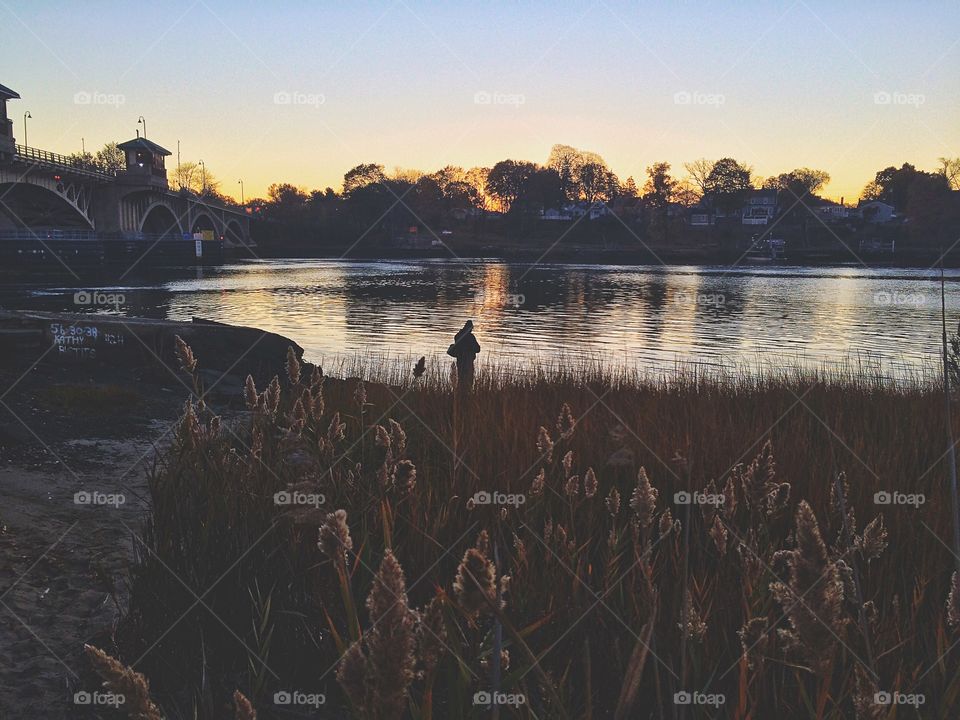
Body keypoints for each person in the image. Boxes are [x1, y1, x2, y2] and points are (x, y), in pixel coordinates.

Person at [447, 320, 481, 392]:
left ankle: (460, 392)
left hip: (460, 360)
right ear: (470, 328)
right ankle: (467, 393)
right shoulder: (471, 337)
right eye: (471, 328)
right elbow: (477, 349)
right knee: (469, 378)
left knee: (461, 378)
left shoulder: (458, 335)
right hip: (468, 361)